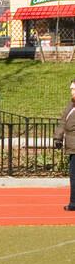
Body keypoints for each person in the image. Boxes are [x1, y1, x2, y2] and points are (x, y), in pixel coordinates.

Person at [54, 78, 75, 211]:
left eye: (73, 88)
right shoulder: (71, 103)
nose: (71, 91)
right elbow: (63, 122)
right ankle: (73, 202)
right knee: (73, 175)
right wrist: (58, 138)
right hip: (72, 146)